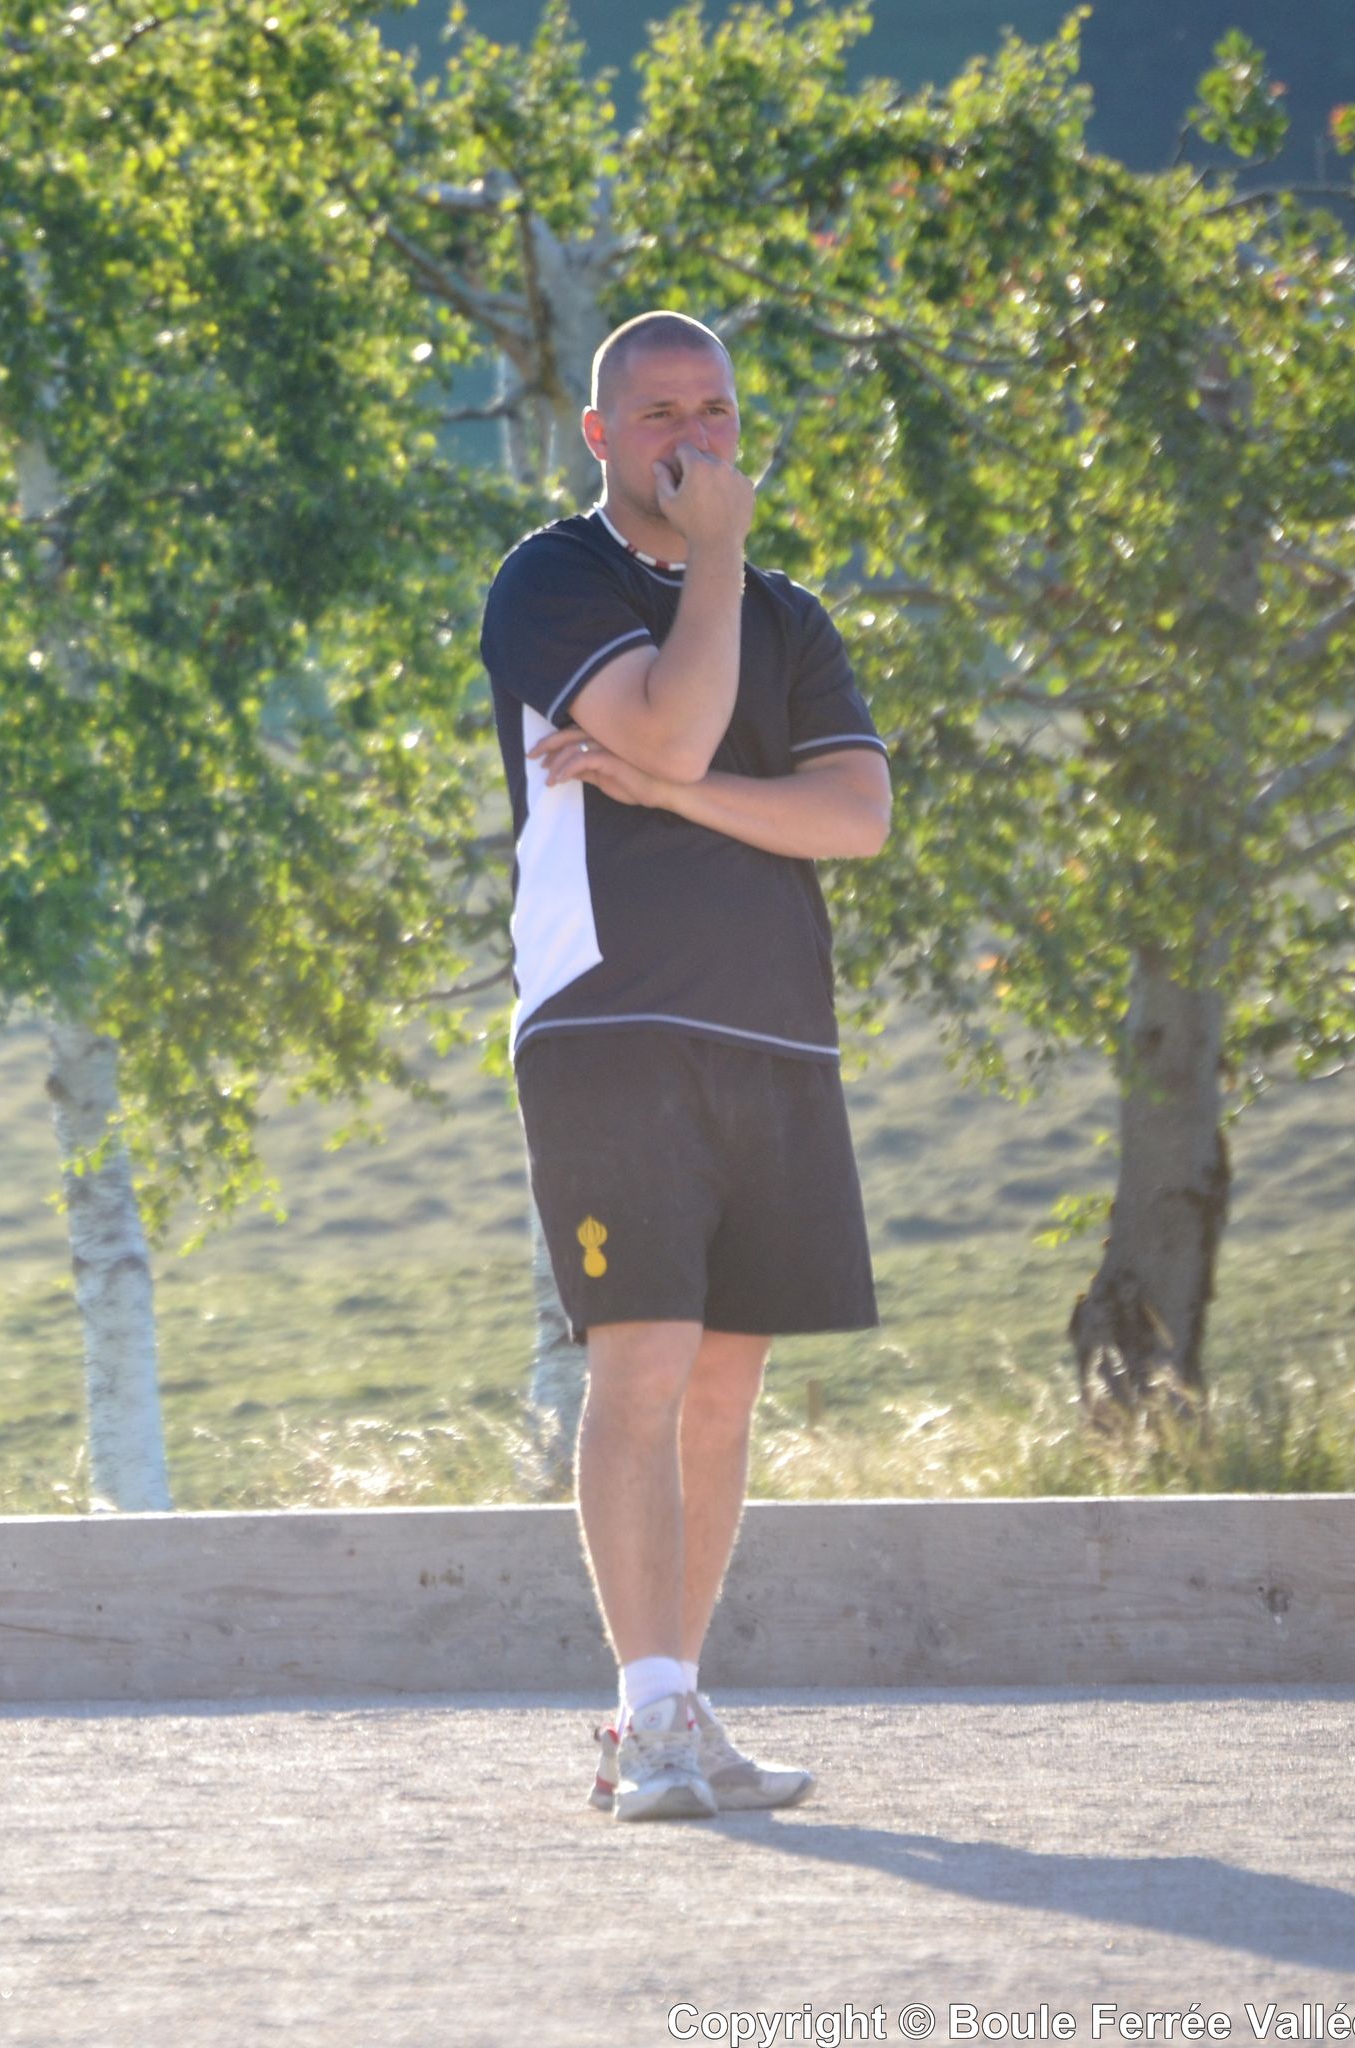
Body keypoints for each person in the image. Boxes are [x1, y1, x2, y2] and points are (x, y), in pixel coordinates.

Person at [478, 310, 892, 1822]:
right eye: (658, 413)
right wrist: (713, 563)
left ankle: (681, 1708)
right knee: (642, 1364)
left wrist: (678, 794)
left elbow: (855, 817)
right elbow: (673, 715)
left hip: (775, 1028)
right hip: (611, 1020)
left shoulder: (792, 614)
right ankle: (644, 1715)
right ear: (600, 435)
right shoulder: (552, 579)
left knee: (725, 1389)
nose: (694, 437)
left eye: (714, 409)